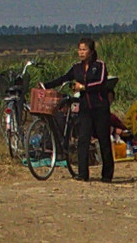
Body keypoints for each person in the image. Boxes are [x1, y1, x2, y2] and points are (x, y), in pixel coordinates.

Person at [42, 37, 113, 183]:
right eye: (79, 50)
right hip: (85, 109)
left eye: (84, 49)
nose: (81, 52)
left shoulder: (100, 65)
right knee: (83, 140)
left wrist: (84, 87)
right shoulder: (76, 68)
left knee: (104, 141)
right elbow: (64, 78)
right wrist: (46, 85)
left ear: (91, 51)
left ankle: (107, 175)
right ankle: (82, 173)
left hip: (100, 108)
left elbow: (101, 82)